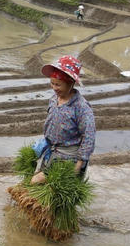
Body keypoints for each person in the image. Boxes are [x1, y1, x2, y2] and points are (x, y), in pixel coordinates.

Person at [31, 55, 95, 184]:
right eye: (52, 83)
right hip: (51, 152)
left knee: (36, 181)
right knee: (43, 187)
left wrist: (79, 164)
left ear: (70, 83)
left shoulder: (81, 107)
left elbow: (89, 136)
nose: (54, 88)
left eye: (58, 84)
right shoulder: (54, 99)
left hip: (68, 157)